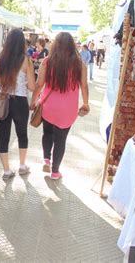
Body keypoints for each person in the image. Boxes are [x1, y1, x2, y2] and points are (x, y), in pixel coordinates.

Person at [30, 32, 89, 180]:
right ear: (72, 46)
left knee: (47, 133)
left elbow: (39, 85)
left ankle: (46, 159)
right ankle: (55, 172)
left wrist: (33, 100)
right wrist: (86, 103)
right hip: (68, 110)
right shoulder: (79, 64)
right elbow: (84, 86)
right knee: (61, 140)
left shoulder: (47, 62)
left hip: (48, 107)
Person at [0, 29, 36, 179]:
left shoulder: (0, 59)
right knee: (22, 134)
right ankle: (22, 166)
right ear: (22, 43)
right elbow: (31, 86)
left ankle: (6, 170)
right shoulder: (26, 60)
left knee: (3, 136)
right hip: (20, 101)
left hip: (3, 99)